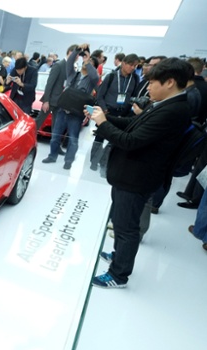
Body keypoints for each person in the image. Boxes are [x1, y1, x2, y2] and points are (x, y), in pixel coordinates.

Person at [91, 58, 192, 288]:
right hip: (131, 175)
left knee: (126, 228)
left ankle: (119, 274)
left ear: (169, 82)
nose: (148, 88)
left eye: (152, 82)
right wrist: (104, 118)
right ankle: (119, 257)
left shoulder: (173, 110)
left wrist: (104, 125)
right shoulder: (166, 104)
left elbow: (131, 140)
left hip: (136, 178)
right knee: (121, 221)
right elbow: (133, 124)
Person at [41, 43, 99, 170]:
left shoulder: (91, 80)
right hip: (62, 110)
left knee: (73, 139)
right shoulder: (74, 74)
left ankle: (69, 161)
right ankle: (52, 155)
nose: (85, 62)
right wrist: (78, 50)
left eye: (89, 63)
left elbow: (95, 76)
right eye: (84, 60)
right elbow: (69, 62)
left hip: (76, 114)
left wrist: (87, 61)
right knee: (55, 136)